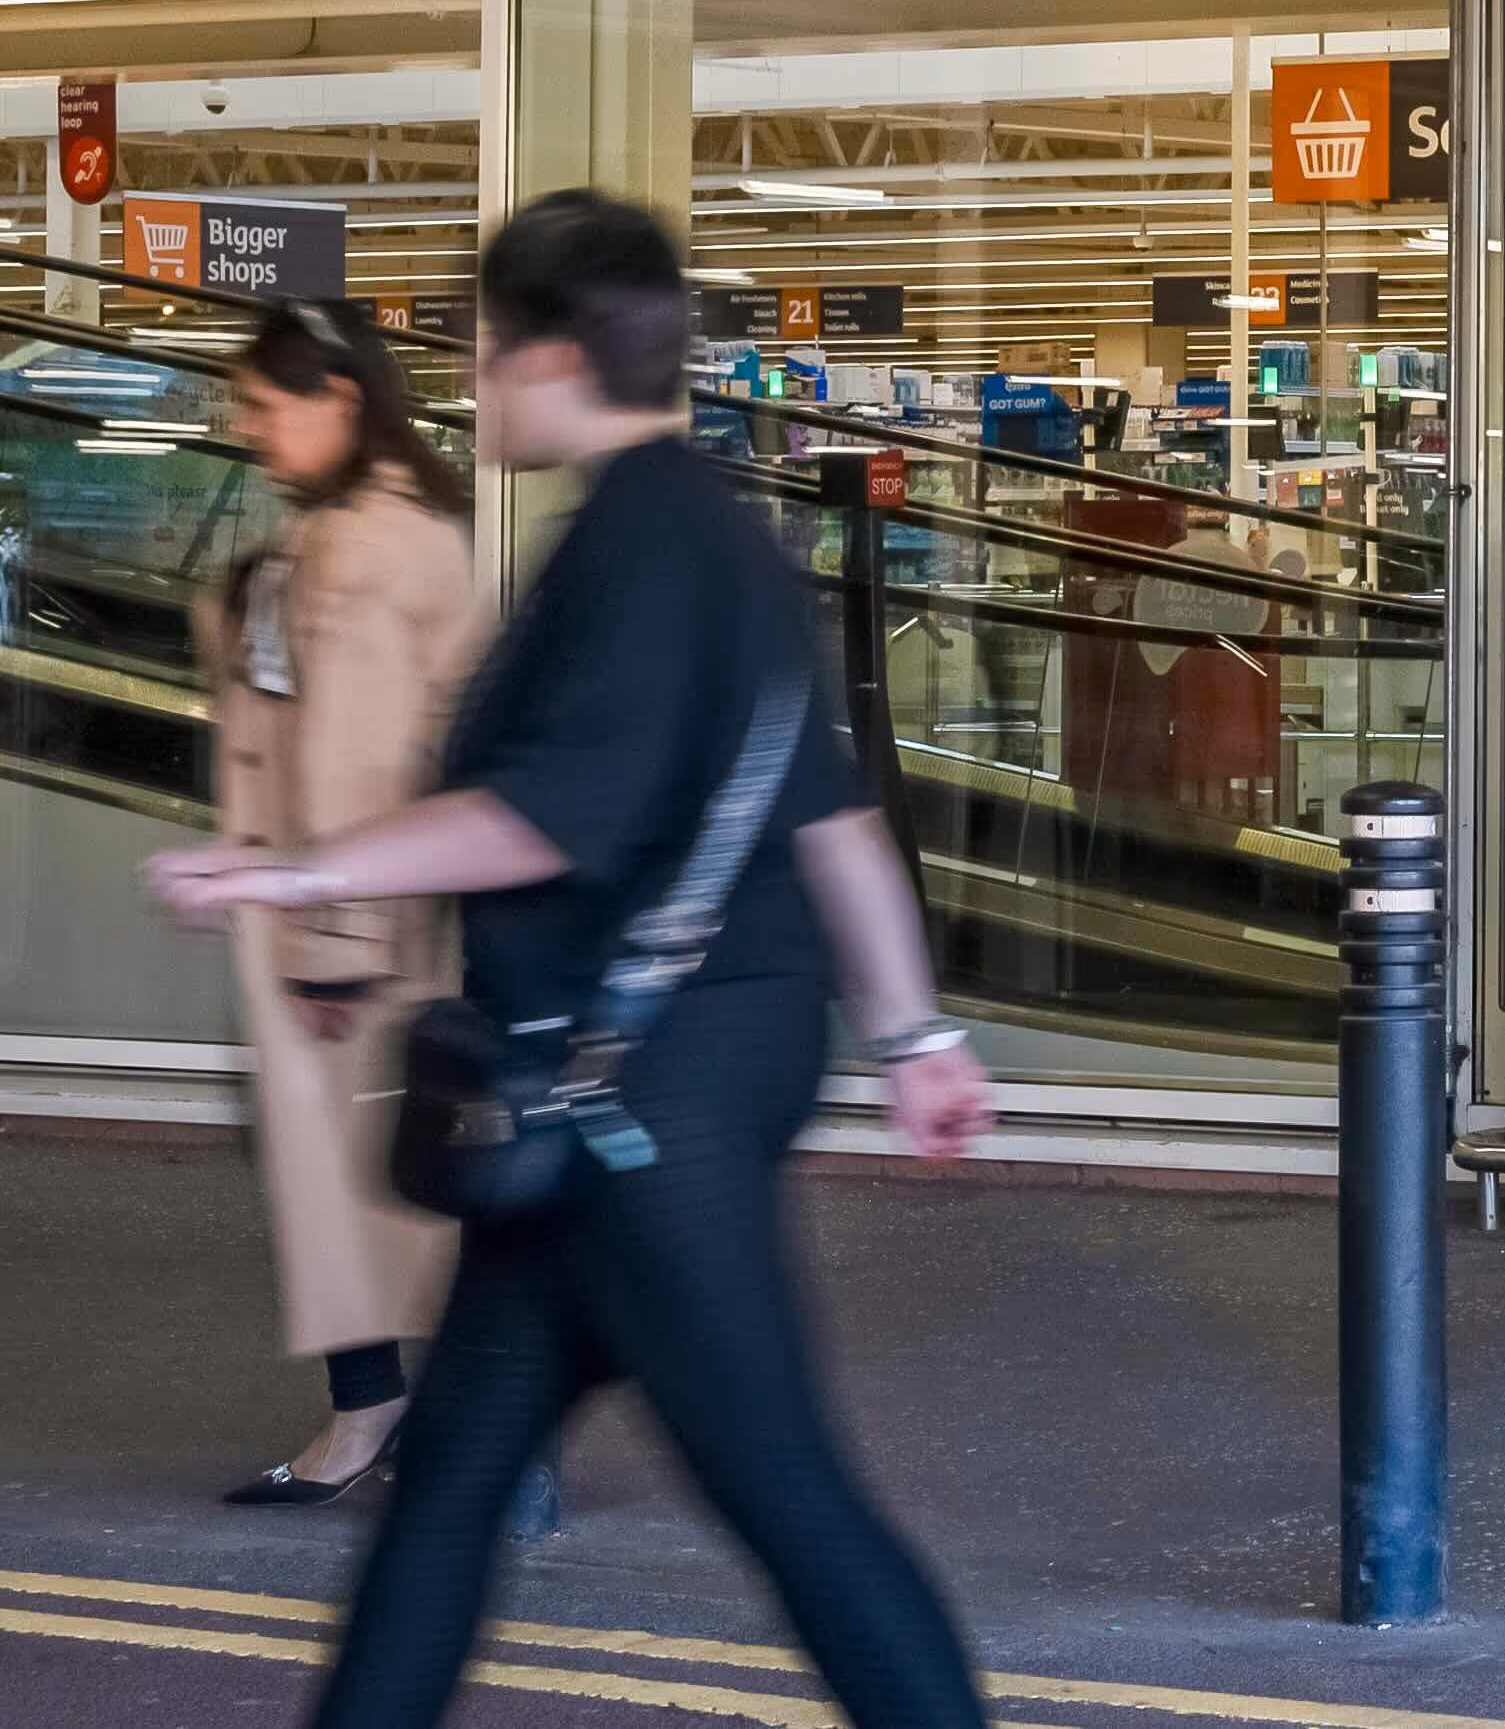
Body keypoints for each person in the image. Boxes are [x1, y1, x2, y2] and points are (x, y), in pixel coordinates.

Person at [148, 190, 999, 1729]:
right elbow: (832, 821)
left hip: (634, 1112)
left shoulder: (636, 548)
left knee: (790, 1499)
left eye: (483, 354)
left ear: (548, 356)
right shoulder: (717, 540)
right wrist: (915, 1036)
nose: (470, 391)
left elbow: (541, 820)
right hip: (600, 1094)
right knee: (453, 1484)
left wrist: (298, 872)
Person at [201, 299, 479, 1506]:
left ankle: (381, 1419)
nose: (246, 428)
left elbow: (357, 765)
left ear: (340, 399)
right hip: (380, 912)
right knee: (388, 1178)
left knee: (357, 1183)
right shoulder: (376, 527)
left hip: (347, 923)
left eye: (266, 405)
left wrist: (331, 946)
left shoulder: (360, 550)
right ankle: (447, 1419)